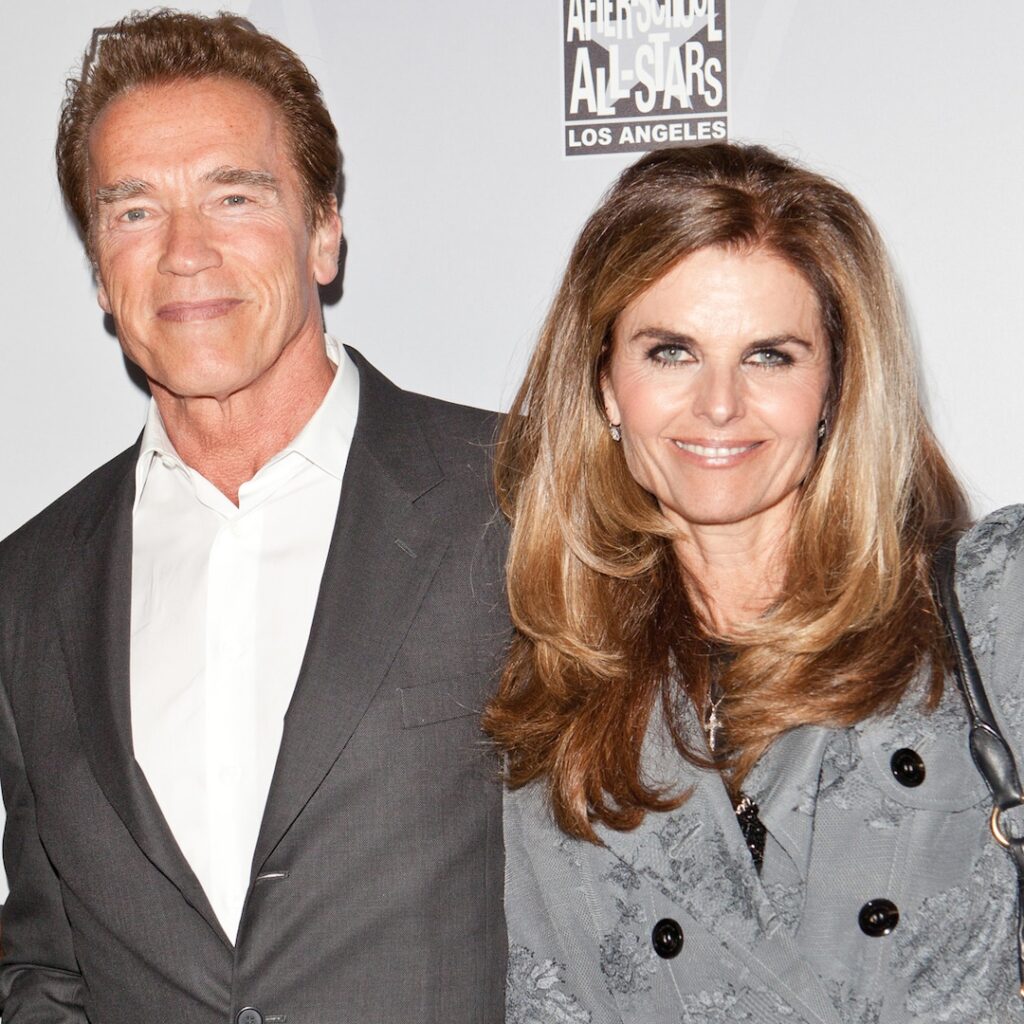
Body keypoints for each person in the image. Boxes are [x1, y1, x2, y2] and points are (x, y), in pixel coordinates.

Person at [0, 10, 507, 1022]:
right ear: (98, 269)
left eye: (233, 196)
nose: (184, 253)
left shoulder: (517, 499)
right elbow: (48, 965)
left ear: (323, 233)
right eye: (134, 210)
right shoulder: (30, 584)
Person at [484, 141, 1024, 1024]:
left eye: (770, 356)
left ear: (837, 386)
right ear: (605, 384)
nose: (720, 404)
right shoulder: (556, 700)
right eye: (671, 352)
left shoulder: (994, 609)